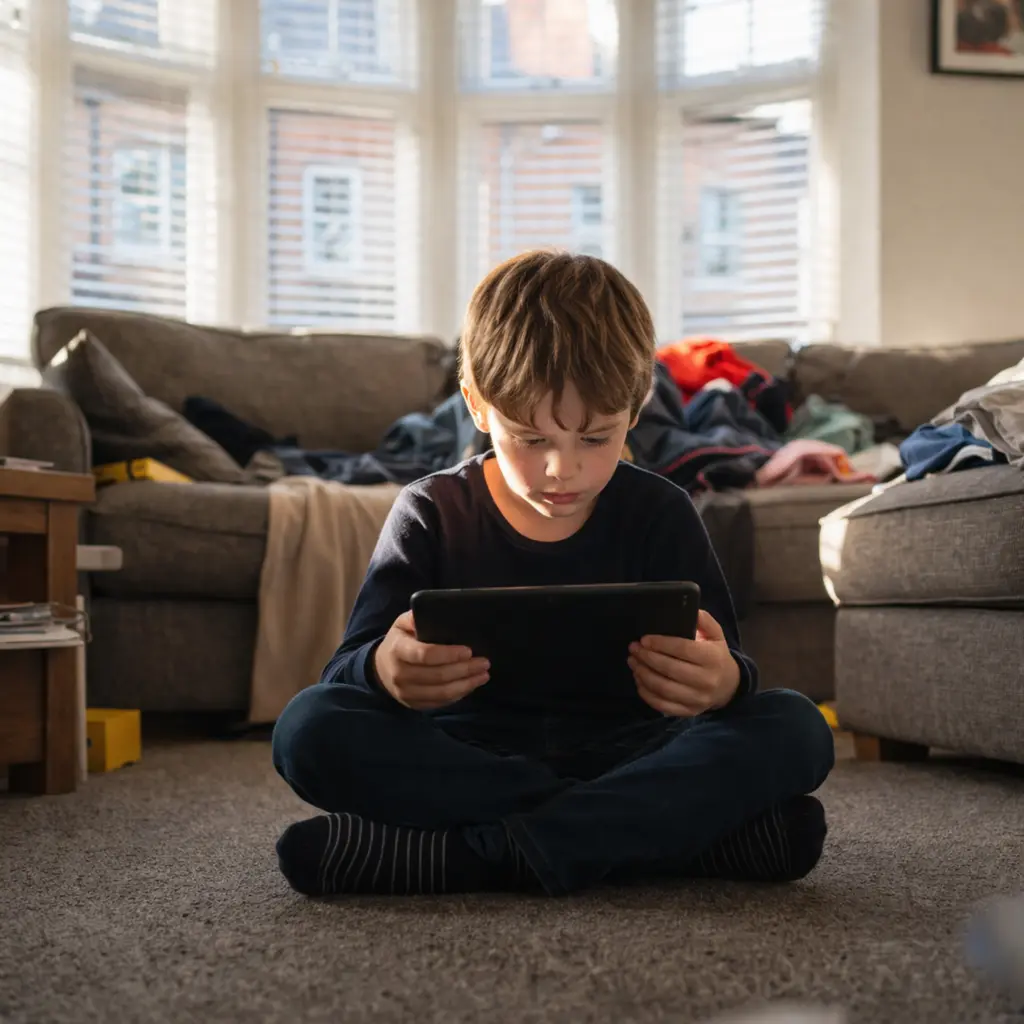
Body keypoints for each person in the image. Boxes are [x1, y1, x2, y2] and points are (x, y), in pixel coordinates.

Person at [271, 250, 835, 898]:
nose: (561, 469)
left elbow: (730, 671)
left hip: (638, 749)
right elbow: (344, 676)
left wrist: (725, 679)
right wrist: (383, 667)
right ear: (477, 406)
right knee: (309, 728)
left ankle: (478, 856)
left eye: (595, 438)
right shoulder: (431, 511)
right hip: (469, 758)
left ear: (637, 403)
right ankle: (638, 834)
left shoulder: (660, 510)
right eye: (532, 439)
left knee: (796, 728)